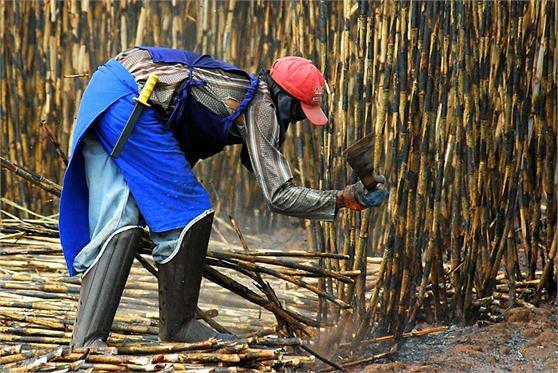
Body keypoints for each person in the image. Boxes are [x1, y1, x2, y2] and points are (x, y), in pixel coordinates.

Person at [59, 46, 388, 348]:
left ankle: (87, 340)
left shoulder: (243, 91)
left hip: (107, 91)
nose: (298, 119)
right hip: (132, 101)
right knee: (187, 212)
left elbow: (260, 167)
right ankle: (179, 326)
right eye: (299, 111)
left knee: (120, 220)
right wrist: (346, 199)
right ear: (283, 96)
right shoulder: (261, 107)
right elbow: (279, 195)